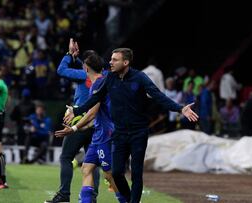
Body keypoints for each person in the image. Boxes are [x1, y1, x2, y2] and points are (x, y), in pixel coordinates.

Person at [65, 48, 198, 203]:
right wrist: (77, 110)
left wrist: (180, 108)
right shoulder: (110, 78)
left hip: (138, 133)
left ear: (126, 62)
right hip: (119, 133)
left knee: (136, 174)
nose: (110, 62)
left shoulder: (140, 78)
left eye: (115, 60)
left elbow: (158, 96)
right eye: (111, 59)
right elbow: (96, 98)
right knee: (116, 173)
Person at [55, 54, 127, 203]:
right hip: (97, 134)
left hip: (106, 135)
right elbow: (94, 116)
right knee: (86, 168)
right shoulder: (101, 80)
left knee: (109, 175)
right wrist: (82, 127)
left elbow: (92, 113)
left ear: (86, 68)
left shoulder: (98, 84)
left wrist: (74, 128)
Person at [45, 38, 99, 203]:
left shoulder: (83, 75)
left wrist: (70, 55)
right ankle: (91, 197)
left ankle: (64, 195)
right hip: (96, 122)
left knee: (66, 157)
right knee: (92, 162)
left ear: (87, 66)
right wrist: (77, 59)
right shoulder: (104, 78)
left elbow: (61, 70)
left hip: (79, 120)